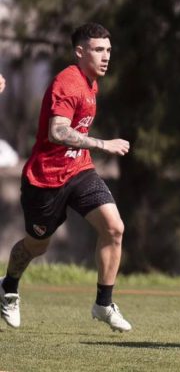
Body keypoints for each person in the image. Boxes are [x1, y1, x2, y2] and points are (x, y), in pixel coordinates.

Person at [0, 23, 132, 332]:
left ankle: (103, 304)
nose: (106, 56)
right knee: (36, 246)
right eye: (99, 50)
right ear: (80, 52)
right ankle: (8, 285)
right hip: (44, 180)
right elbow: (57, 131)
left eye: (108, 50)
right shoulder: (69, 83)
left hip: (79, 171)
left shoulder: (90, 82)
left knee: (114, 228)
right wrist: (103, 144)